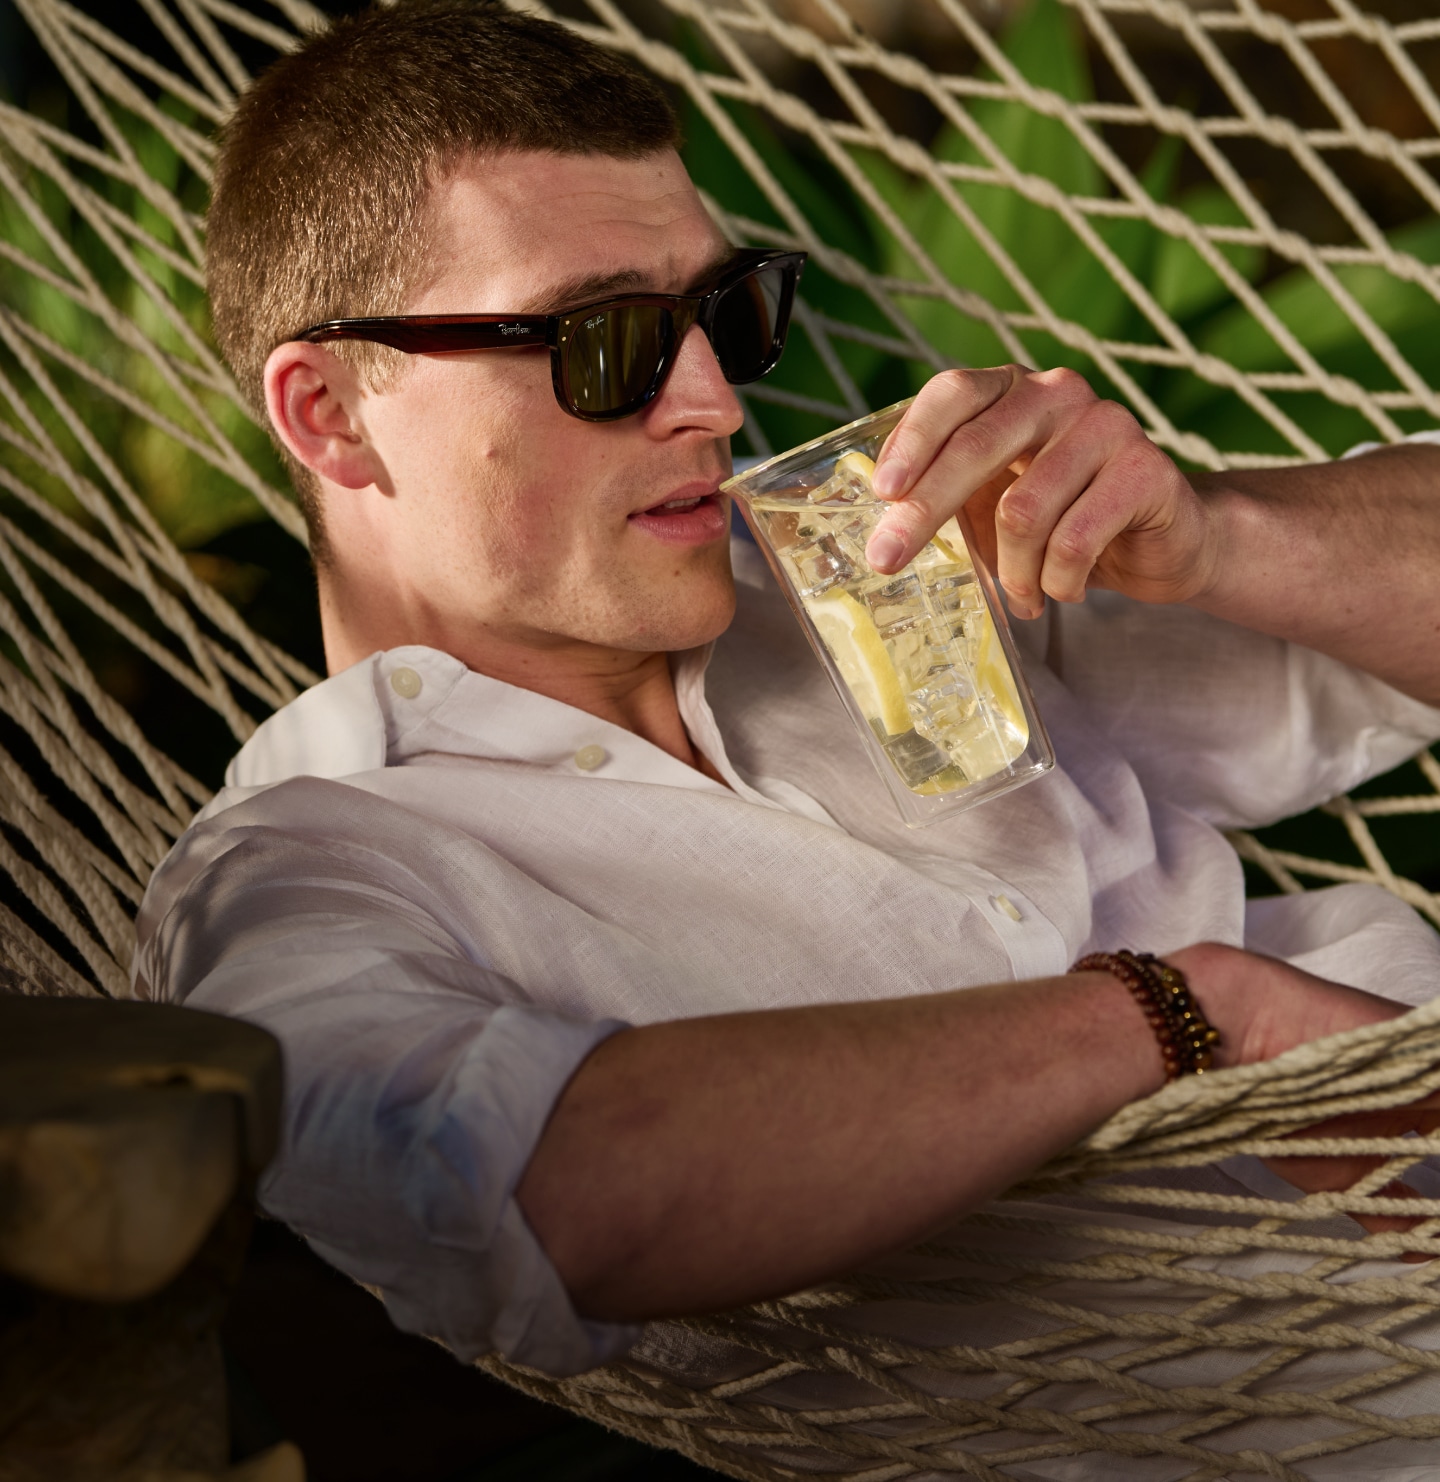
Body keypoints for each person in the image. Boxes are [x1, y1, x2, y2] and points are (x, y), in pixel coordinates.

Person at [135, 0, 1440, 1430]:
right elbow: (539, 1187)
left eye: (722, 311)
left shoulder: (861, 559)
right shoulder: (300, 881)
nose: (710, 400)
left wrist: (1220, 535)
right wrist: (1187, 1014)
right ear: (330, 411)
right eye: (607, 340)